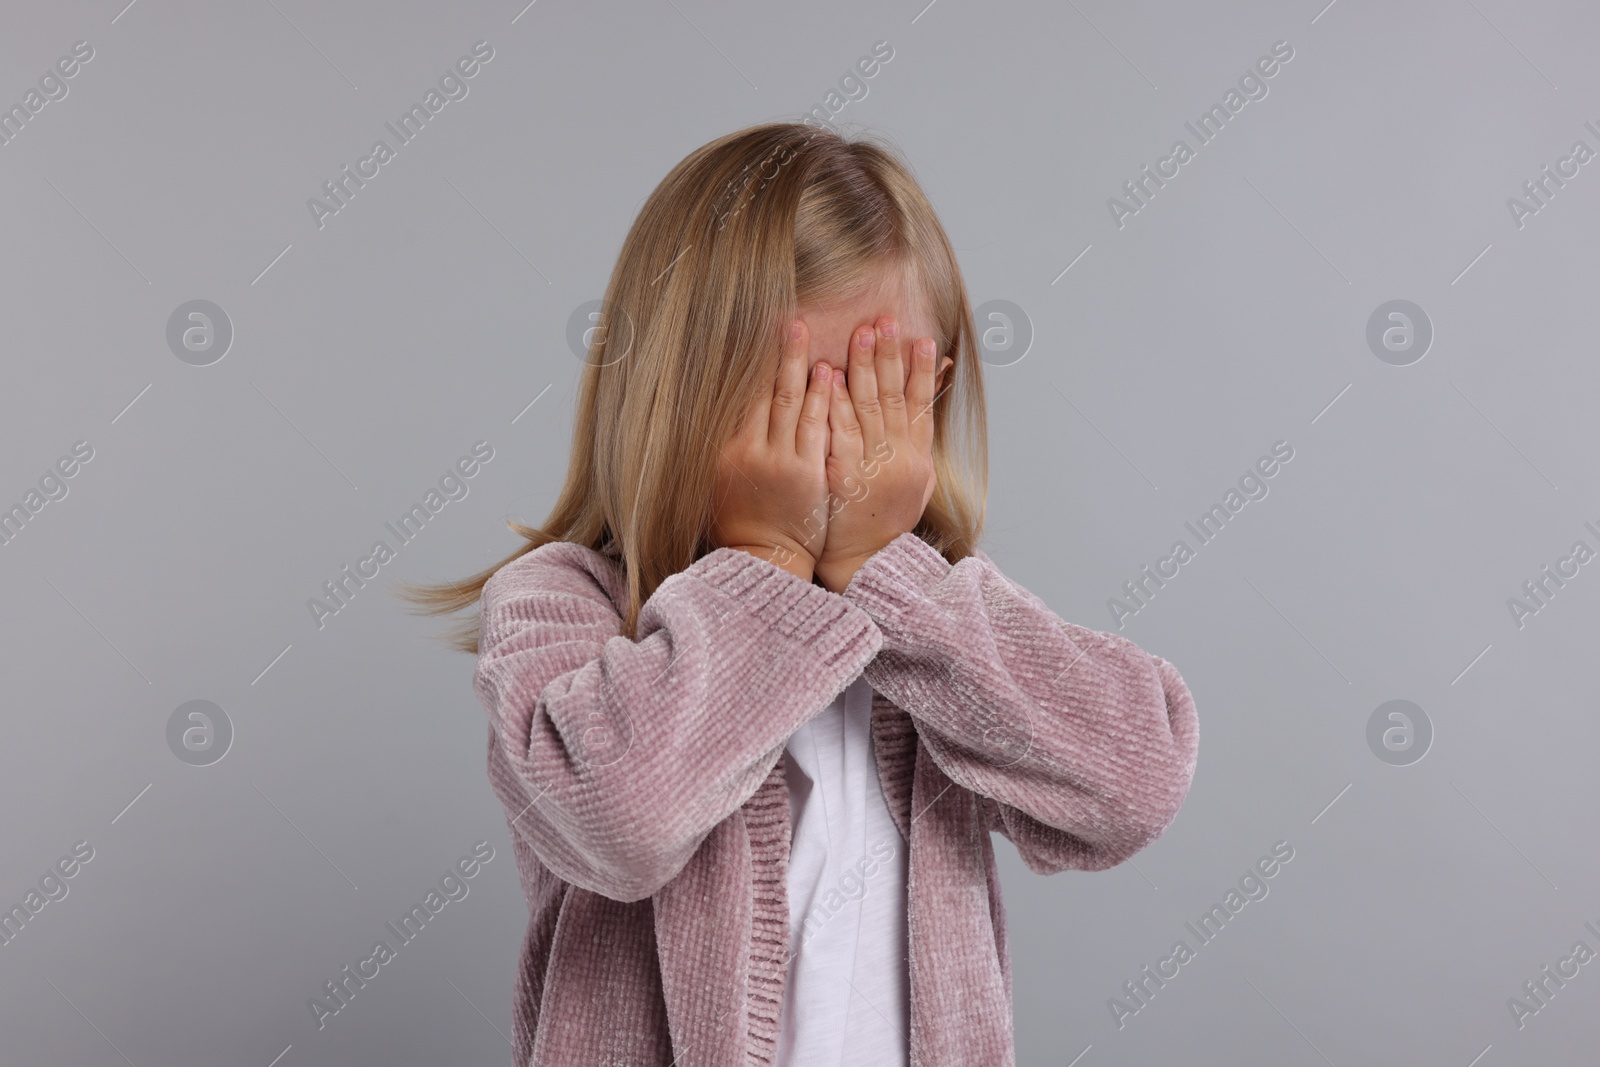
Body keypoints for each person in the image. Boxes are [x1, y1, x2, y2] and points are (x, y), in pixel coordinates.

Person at [399, 120, 1200, 1067]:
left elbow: (1132, 787)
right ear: (675, 392)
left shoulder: (932, 624)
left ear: (932, 398)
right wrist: (770, 560)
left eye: (873, 395)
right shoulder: (561, 604)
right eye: (795, 395)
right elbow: (626, 820)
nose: (831, 443)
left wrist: (893, 581)